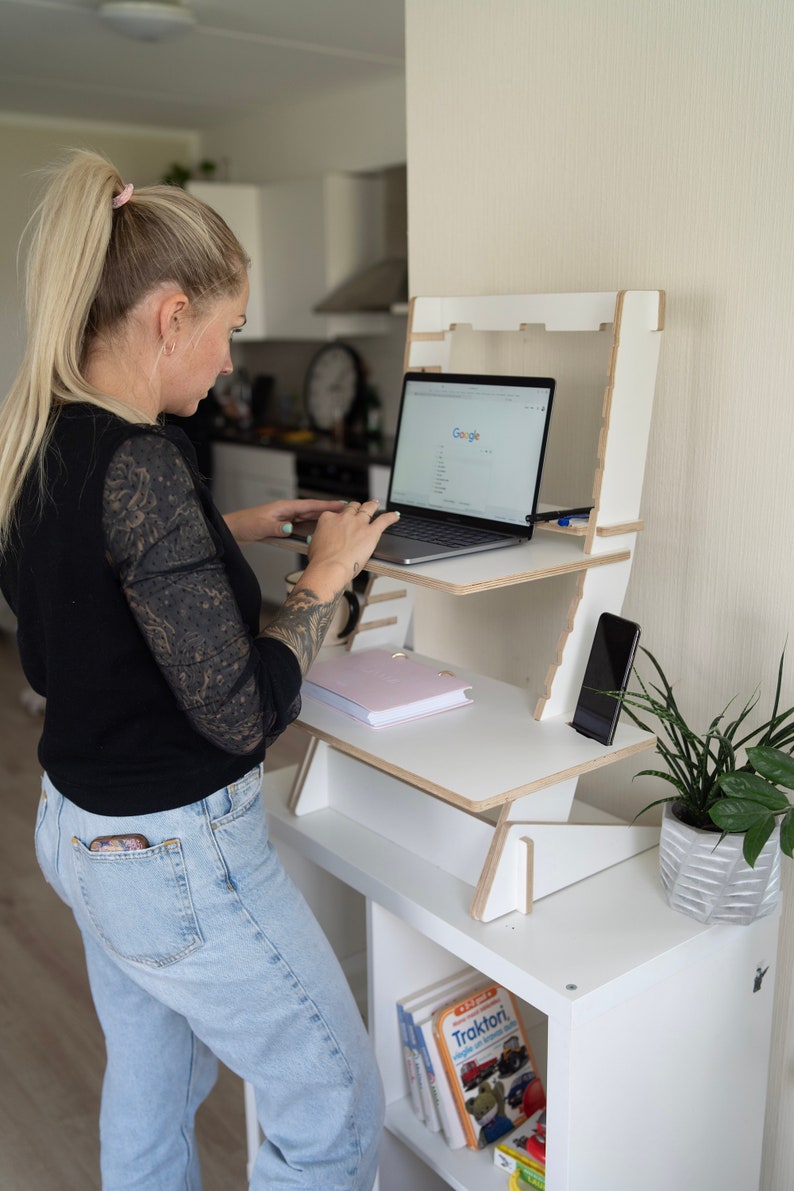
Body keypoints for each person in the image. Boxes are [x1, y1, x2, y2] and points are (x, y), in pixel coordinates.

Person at [0, 149, 400, 1190]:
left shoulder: (41, 438)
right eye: (225, 329)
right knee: (334, 1106)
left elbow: (75, 613)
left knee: (150, 1078)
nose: (227, 361)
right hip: (174, 859)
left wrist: (226, 530)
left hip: (80, 831)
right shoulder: (143, 464)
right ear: (170, 316)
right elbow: (238, 715)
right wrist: (323, 580)